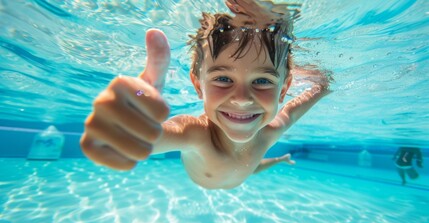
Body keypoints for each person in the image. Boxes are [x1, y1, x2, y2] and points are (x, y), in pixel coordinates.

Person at [80, 0, 330, 189]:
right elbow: (158, 137)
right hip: (218, 178)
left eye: (262, 81)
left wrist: (323, 87)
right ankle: (279, 157)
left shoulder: (271, 130)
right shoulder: (196, 134)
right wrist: (131, 106)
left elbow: (300, 104)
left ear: (283, 89)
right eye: (223, 79)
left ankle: (281, 159)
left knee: (253, 166)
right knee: (250, 166)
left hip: (243, 171)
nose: (242, 99)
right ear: (198, 86)